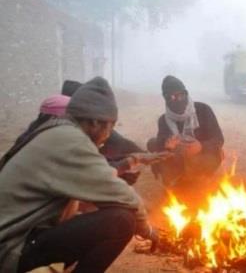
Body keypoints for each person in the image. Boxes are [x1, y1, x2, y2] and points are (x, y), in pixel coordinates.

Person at [0, 77, 161, 273]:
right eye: (111, 125)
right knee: (122, 220)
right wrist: (148, 231)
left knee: (97, 209)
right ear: (95, 122)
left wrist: (130, 161)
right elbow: (123, 196)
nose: (110, 133)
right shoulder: (71, 141)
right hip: (11, 250)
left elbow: (100, 179)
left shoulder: (59, 132)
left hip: (18, 239)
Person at [61, 79, 149, 185]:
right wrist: (124, 166)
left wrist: (121, 169)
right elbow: (84, 172)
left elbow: (94, 164)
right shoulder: (62, 139)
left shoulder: (72, 131)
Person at [147, 75, 224, 187]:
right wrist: (168, 146)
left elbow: (219, 139)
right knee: (152, 143)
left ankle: (201, 177)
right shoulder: (164, 120)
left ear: (186, 94)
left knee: (204, 173)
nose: (178, 100)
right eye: (172, 97)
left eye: (181, 95)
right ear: (166, 99)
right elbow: (160, 149)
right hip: (178, 160)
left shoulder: (203, 110)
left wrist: (200, 146)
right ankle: (179, 178)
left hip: (204, 156)